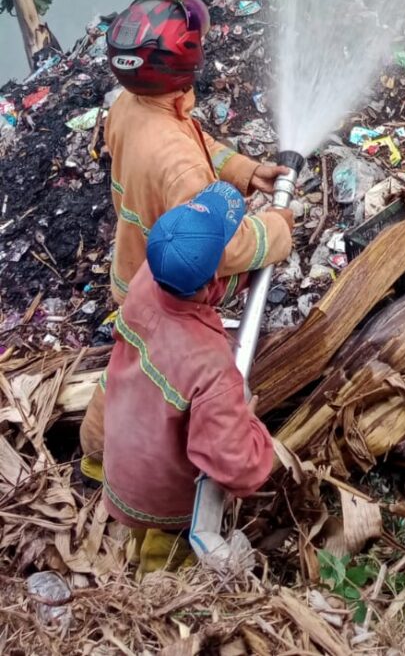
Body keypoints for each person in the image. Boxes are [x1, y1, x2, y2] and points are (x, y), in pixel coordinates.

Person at [80, 0, 291, 468]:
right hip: (170, 291)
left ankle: (97, 454)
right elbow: (222, 248)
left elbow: (191, 143)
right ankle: (108, 457)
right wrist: (276, 231)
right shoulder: (176, 162)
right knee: (154, 378)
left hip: (133, 270)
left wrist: (241, 168)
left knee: (128, 363)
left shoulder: (130, 106)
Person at [92, 183, 275, 572]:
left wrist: (243, 276)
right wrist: (254, 430)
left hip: (123, 467)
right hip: (168, 500)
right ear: (213, 272)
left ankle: (133, 559)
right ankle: (144, 599)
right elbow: (236, 464)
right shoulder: (210, 367)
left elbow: (197, 287)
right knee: (166, 566)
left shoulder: (145, 279)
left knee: (138, 535)